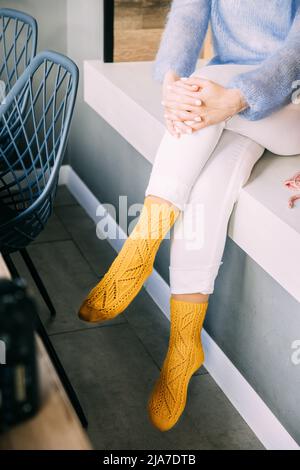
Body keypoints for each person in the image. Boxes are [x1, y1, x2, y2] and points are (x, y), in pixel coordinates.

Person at [79, 0, 300, 432]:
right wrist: (172, 83)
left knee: (204, 93)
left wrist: (235, 98)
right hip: (223, 94)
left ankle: (139, 249)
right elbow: (186, 18)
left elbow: (294, 54)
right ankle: (184, 345)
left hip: (290, 104)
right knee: (210, 187)